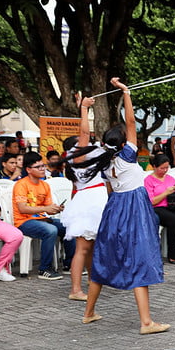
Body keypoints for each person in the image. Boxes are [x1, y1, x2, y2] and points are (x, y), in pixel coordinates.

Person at [82, 77, 168, 335]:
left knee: (105, 259)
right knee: (140, 259)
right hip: (134, 208)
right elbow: (131, 122)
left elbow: (85, 136)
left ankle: (88, 313)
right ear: (122, 143)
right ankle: (146, 323)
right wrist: (126, 93)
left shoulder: (102, 158)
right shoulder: (127, 154)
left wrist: (84, 109)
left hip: (114, 208)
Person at [61, 96, 109, 300]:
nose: (87, 141)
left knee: (90, 246)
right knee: (83, 248)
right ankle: (75, 290)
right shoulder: (78, 156)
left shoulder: (77, 163)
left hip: (91, 201)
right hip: (89, 203)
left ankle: (92, 281)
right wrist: (84, 109)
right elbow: (84, 131)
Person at [13, 152, 76, 279]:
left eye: (43, 166)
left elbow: (48, 209)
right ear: (29, 170)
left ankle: (69, 265)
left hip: (43, 219)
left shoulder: (44, 185)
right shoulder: (21, 184)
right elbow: (22, 208)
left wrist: (56, 209)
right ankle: (44, 269)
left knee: (70, 227)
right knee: (51, 230)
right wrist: (46, 208)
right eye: (39, 167)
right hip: (24, 222)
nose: (43, 169)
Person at [145, 154, 175, 264]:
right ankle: (173, 254)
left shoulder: (170, 178)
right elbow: (151, 201)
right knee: (174, 220)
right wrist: (166, 192)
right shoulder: (149, 180)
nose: (165, 170)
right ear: (154, 167)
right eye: (162, 168)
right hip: (157, 207)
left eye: (167, 167)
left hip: (172, 205)